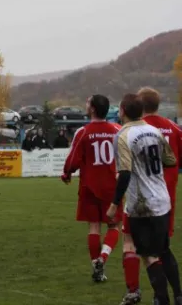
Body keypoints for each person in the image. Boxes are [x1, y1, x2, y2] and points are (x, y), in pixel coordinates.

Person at [107, 94, 180, 305]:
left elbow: (126, 173)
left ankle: (162, 299)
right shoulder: (154, 131)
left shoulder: (122, 135)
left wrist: (114, 205)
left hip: (141, 204)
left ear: (122, 111)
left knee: (148, 255)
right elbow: (171, 160)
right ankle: (178, 295)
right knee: (164, 250)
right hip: (162, 200)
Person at [61, 94, 121, 282]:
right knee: (114, 226)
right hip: (113, 186)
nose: (86, 105)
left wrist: (67, 173)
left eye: (88, 103)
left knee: (94, 227)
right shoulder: (117, 130)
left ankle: (97, 266)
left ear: (93, 109)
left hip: (90, 186)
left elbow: (72, 160)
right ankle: (103, 258)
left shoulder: (83, 132)